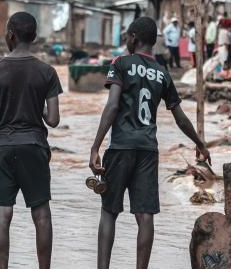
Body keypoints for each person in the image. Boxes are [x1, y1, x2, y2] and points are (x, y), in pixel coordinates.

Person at [89, 16, 211, 269]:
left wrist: (95, 146)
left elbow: (112, 106)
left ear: (133, 38)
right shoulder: (162, 73)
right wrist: (200, 143)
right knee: (145, 216)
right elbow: (180, 117)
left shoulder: (121, 63)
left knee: (109, 212)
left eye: (127, 36)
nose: (126, 40)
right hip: (147, 150)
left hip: (121, 147)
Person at [0, 11, 63, 269]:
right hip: (35, 146)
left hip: (3, 146)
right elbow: (53, 119)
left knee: (2, 211)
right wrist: (37, 109)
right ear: (34, 37)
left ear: (11, 35)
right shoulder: (47, 72)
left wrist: (3, 132)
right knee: (41, 213)